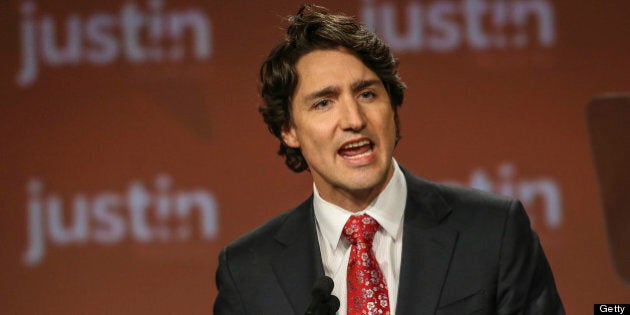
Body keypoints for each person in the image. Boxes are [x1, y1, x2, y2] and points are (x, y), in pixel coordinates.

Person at [214, 4, 564, 315]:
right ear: (288, 129)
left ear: (393, 108)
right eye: (324, 102)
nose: (354, 119)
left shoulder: (493, 231)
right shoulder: (247, 271)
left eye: (367, 93)